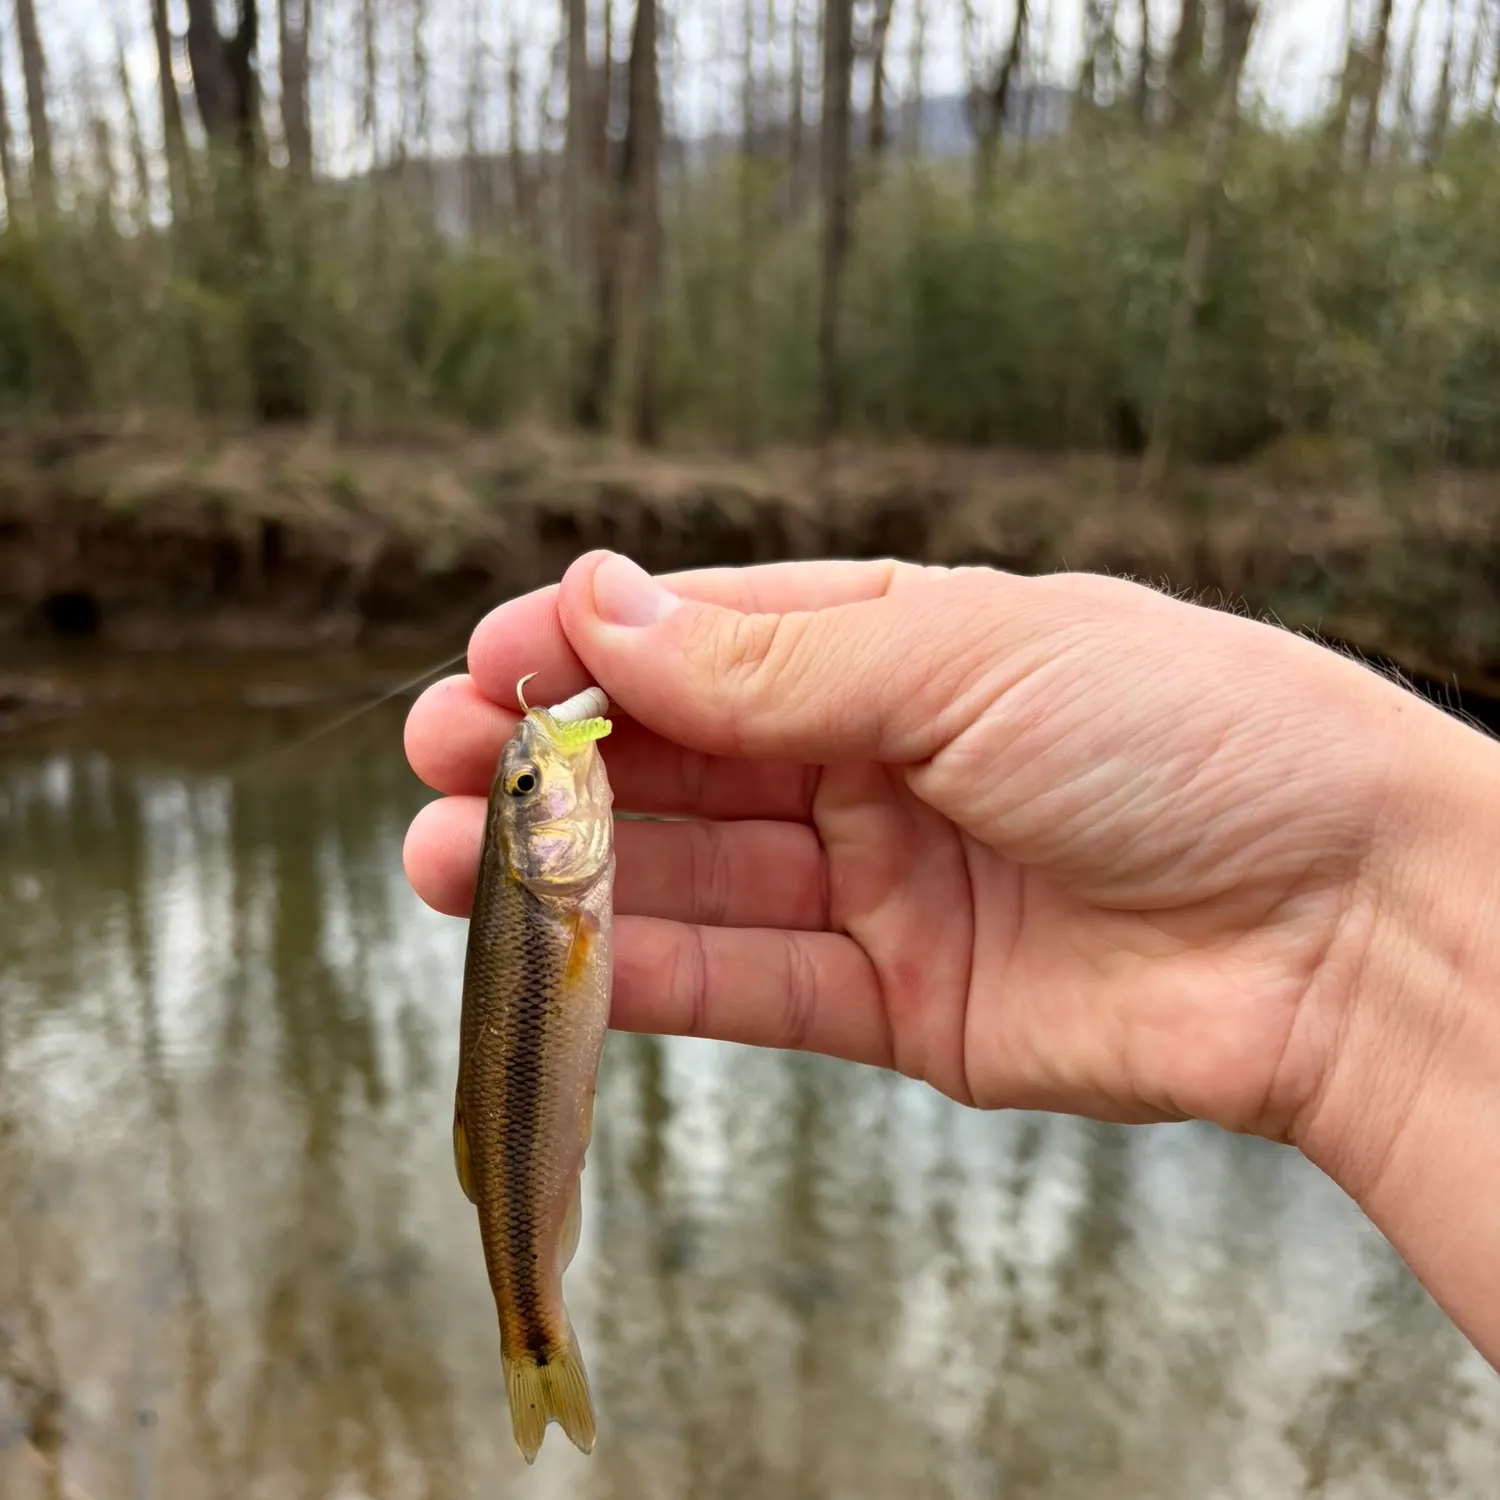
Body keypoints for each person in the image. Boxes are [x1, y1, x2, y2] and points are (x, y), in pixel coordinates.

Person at [402, 550, 1500, 1370]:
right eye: (530, 795)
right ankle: (532, 1324)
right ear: (532, 843)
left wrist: (1363, 899)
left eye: (524, 791)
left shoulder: (563, 868)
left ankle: (530, 1321)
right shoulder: (549, 891)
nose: (542, 782)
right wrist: (1367, 929)